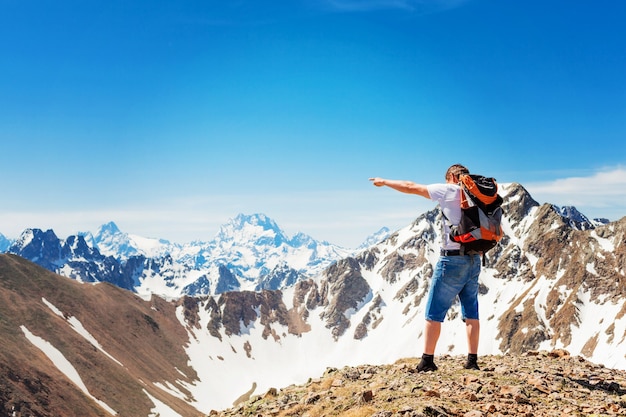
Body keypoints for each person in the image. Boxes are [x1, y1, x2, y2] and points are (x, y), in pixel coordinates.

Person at [369, 164, 481, 372]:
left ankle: (427, 361)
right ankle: (472, 361)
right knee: (471, 312)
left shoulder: (449, 190)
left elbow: (411, 187)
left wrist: (384, 182)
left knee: (434, 312)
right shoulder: (477, 194)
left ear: (451, 177)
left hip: (452, 260)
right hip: (475, 259)